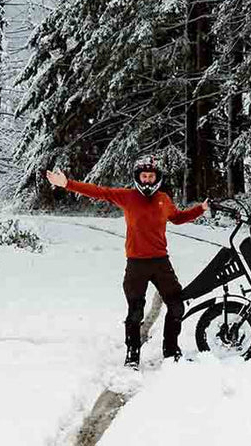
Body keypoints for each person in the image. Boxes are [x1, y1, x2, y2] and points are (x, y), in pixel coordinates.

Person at [46, 157, 208, 368]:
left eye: (151, 177)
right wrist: (68, 184)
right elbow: (100, 192)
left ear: (157, 178)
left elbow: (177, 218)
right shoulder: (128, 196)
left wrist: (201, 208)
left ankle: (171, 352)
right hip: (136, 264)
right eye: (144, 176)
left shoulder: (163, 199)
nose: (147, 180)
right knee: (135, 311)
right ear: (138, 177)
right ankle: (132, 355)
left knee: (176, 306)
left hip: (161, 262)